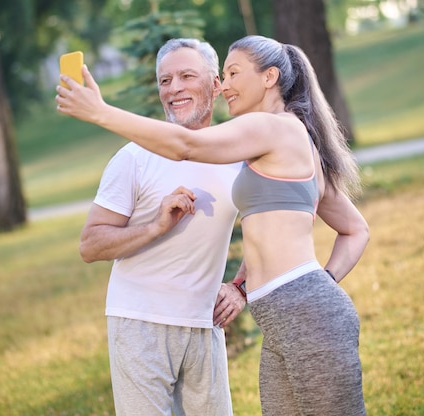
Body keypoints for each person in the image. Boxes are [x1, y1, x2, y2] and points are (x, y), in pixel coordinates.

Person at [57, 35, 370, 415]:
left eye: (233, 73)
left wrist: (101, 112)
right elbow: (342, 226)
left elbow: (186, 146)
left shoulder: (268, 131)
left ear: (268, 77)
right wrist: (248, 283)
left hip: (290, 314)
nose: (226, 85)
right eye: (165, 81)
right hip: (268, 318)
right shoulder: (265, 146)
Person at [75, 39, 246, 415]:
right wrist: (154, 226)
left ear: (216, 85)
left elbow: (272, 227)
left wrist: (241, 287)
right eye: (165, 80)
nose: (174, 88)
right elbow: (90, 245)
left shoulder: (237, 155)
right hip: (139, 325)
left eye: (187, 76)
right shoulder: (134, 158)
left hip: (205, 325)